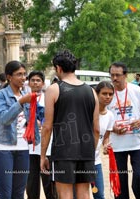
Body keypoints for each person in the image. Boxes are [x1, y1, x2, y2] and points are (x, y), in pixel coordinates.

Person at [40, 50, 100, 199]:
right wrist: (90, 150)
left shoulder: (54, 89)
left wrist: (42, 156)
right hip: (86, 151)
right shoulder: (91, 91)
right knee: (84, 193)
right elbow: (97, 129)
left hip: (63, 152)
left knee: (65, 194)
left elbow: (47, 127)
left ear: (58, 68)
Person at [0, 61, 40, 199]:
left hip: (23, 148)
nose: (23, 78)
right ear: (9, 77)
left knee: (19, 193)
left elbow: (33, 120)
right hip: (3, 148)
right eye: (19, 74)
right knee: (5, 193)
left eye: (24, 74)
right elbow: (3, 119)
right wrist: (20, 102)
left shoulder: (27, 94)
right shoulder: (1, 95)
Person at [107, 62, 140, 199]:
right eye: (112, 75)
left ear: (125, 75)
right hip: (117, 144)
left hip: (138, 142)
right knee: (120, 182)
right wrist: (113, 128)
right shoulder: (107, 93)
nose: (114, 78)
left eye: (118, 75)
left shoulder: (136, 90)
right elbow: (101, 116)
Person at [26, 71, 57, 199]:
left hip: (47, 147)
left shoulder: (48, 98)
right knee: (31, 184)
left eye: (38, 80)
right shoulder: (24, 98)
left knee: (49, 183)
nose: (35, 82)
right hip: (29, 148)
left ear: (43, 83)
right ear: (28, 83)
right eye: (32, 80)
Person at [92, 81, 114, 199]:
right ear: (96, 94)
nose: (107, 97)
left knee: (99, 195)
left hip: (96, 162)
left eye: (110, 94)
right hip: (81, 161)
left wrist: (106, 146)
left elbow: (105, 137)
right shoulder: (87, 112)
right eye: (104, 93)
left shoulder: (110, 115)